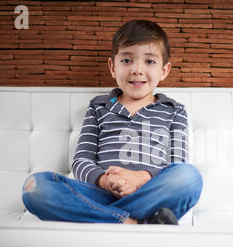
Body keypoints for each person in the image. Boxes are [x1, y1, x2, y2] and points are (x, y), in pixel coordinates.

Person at [22, 20, 203, 225]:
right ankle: (133, 223)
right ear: (112, 67)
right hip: (99, 193)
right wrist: (106, 181)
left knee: (189, 177)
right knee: (36, 186)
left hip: (149, 195)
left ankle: (105, 217)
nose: (137, 70)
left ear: (164, 70)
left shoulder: (174, 110)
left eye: (149, 61)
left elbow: (177, 163)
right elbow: (81, 161)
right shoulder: (99, 107)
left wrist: (139, 179)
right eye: (126, 60)